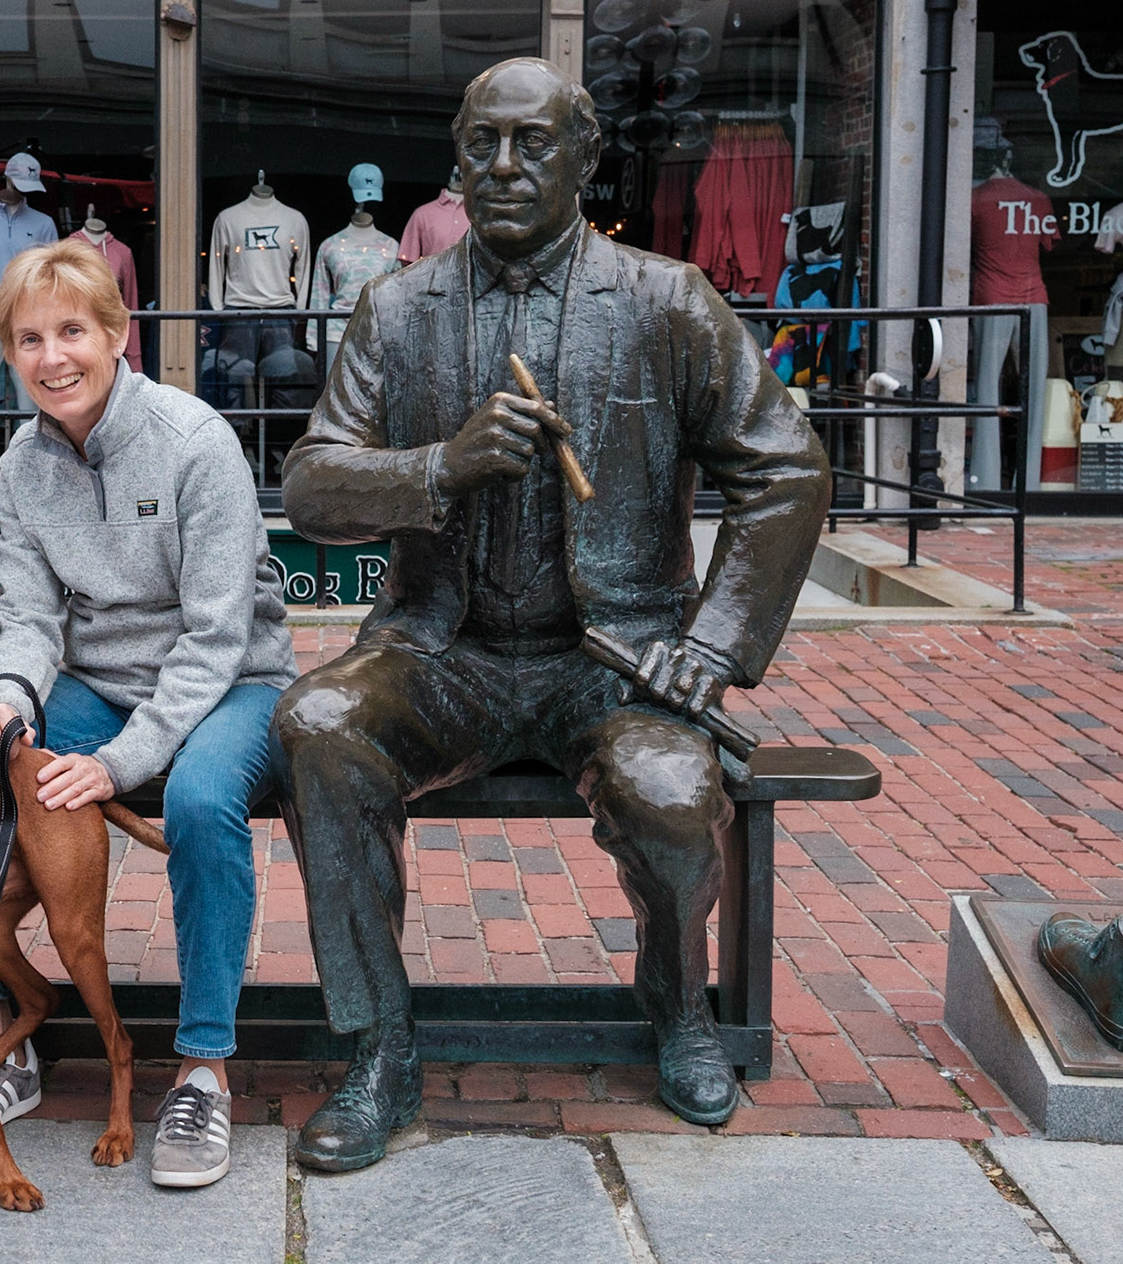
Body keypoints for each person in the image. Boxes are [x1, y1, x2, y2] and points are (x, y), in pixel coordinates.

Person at [271, 56, 831, 1171]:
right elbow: (312, 487)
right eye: (482, 143)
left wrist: (711, 646)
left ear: (584, 158)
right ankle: (381, 1047)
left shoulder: (668, 300)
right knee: (317, 725)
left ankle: (678, 1003)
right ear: (457, 158)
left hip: (613, 661)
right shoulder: (398, 307)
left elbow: (787, 470)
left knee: (672, 790)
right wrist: (439, 465)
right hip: (443, 651)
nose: (505, 165)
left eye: (533, 142)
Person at [0, 239, 295, 1189]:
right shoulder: (22, 465)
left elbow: (219, 634)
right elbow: (29, 620)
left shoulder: (195, 442)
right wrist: (5, 703)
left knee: (202, 804)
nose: (52, 357)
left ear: (117, 334)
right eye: (29, 339)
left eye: (72, 331)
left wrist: (120, 760)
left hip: (234, 683)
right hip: (94, 682)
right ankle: (5, 1031)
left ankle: (203, 1067)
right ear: (8, 354)